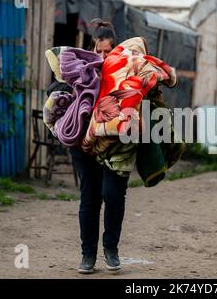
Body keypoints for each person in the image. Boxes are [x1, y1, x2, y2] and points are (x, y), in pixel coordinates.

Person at [69, 19, 127, 274]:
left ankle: (111, 250)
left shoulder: (127, 72)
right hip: (85, 144)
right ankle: (88, 256)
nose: (103, 56)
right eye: (98, 50)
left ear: (117, 49)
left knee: (113, 196)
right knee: (90, 199)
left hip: (116, 145)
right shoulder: (80, 70)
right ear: (92, 49)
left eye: (108, 51)